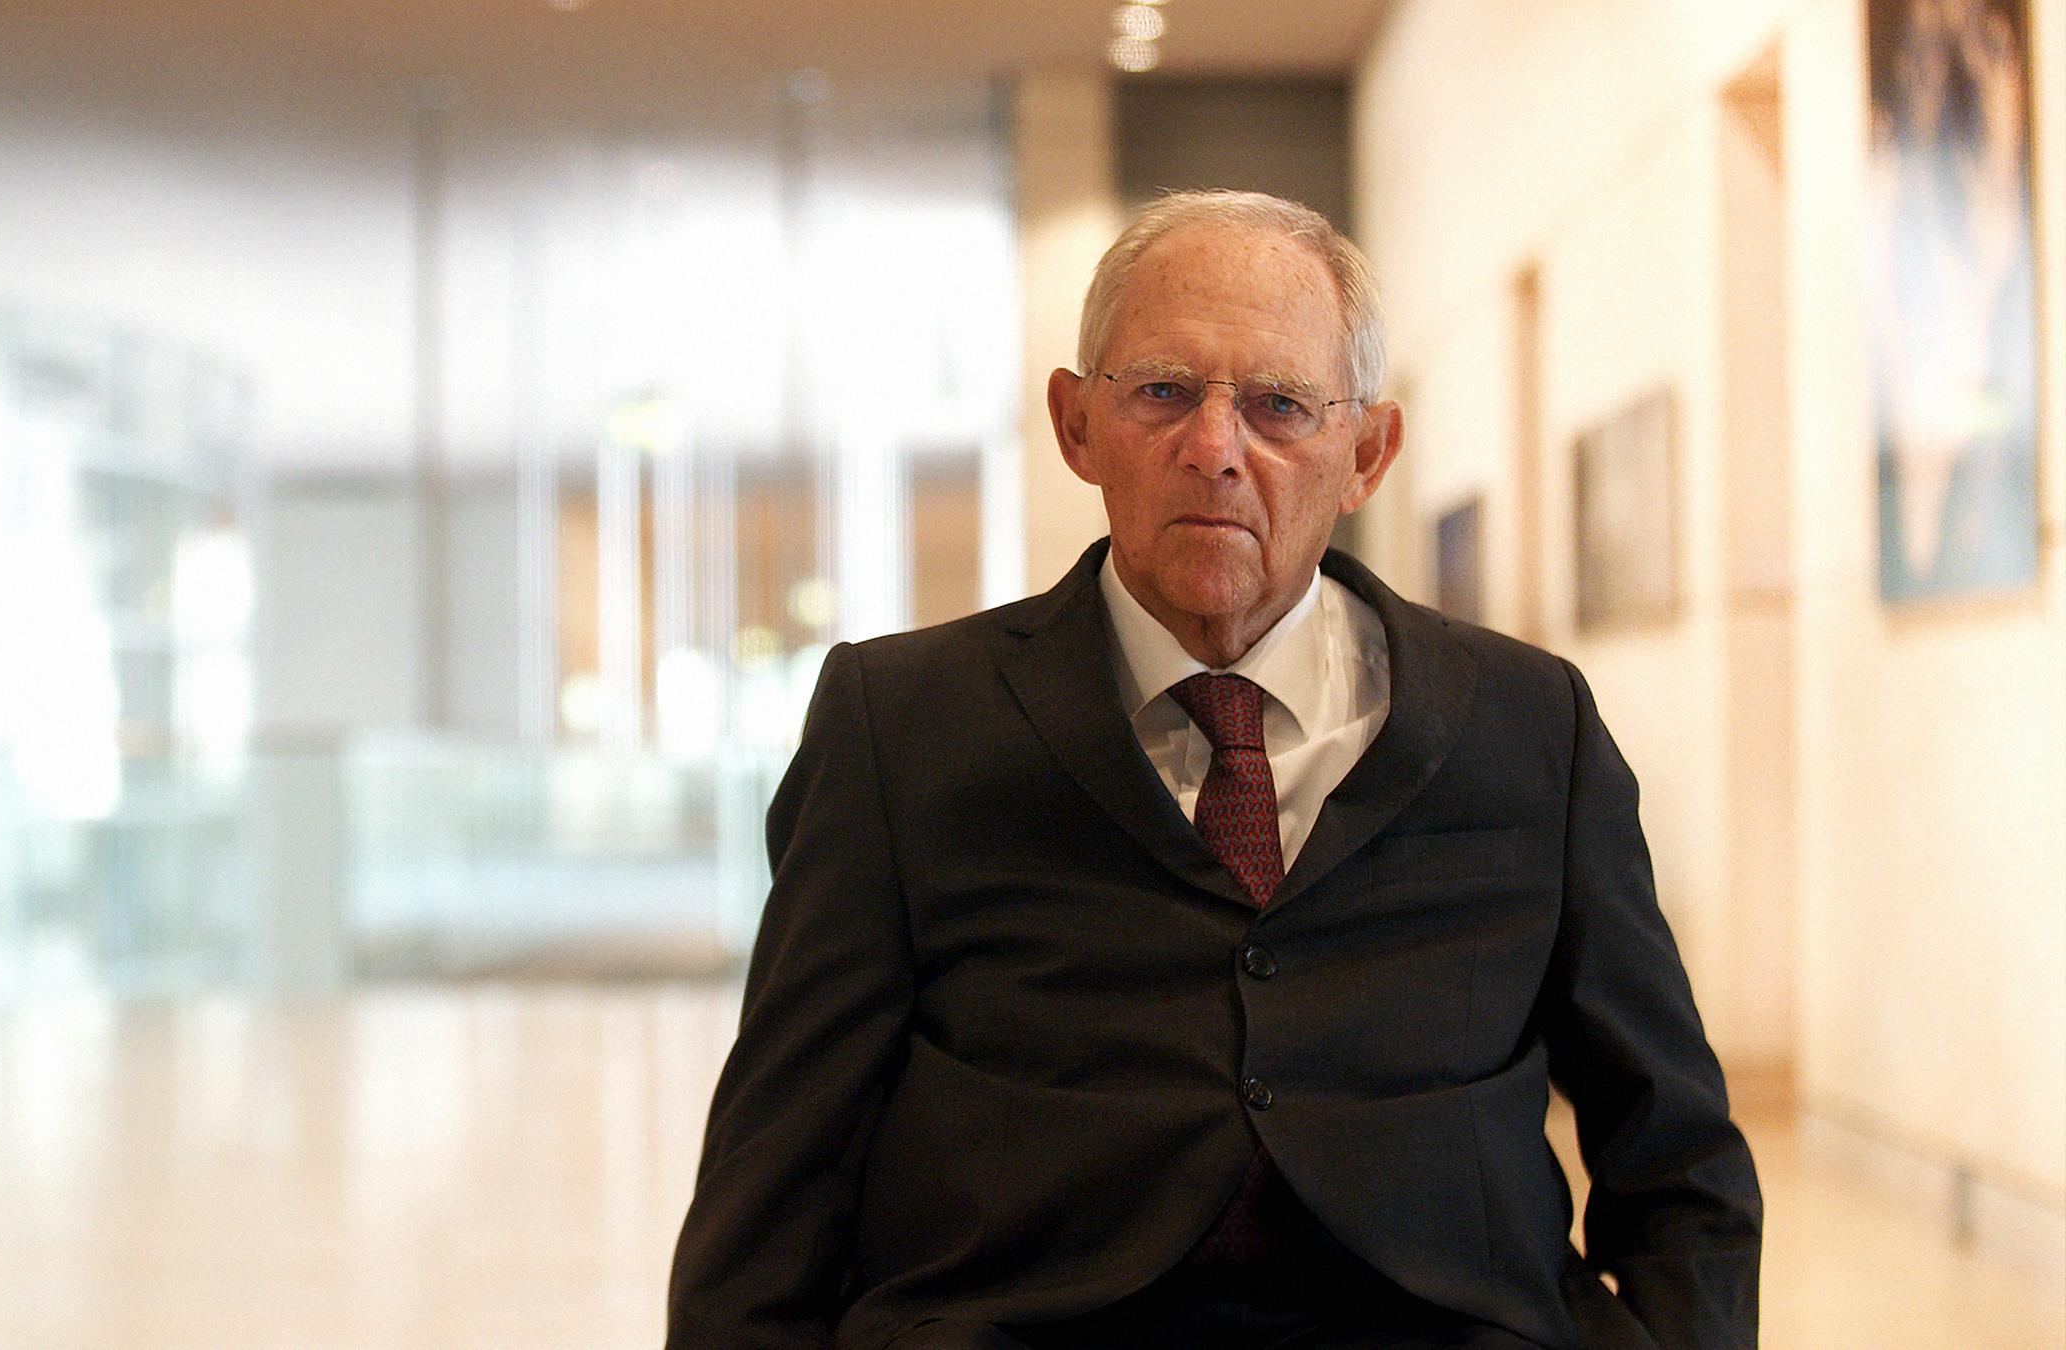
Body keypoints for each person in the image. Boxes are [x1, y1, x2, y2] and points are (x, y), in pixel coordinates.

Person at [666, 190, 1762, 1349]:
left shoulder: (1532, 727)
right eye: (1163, 393)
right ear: (1076, 425)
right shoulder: (903, 727)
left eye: (1282, 406)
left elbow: (1675, 1151)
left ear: (1367, 455)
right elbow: (775, 1176)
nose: (1216, 451)